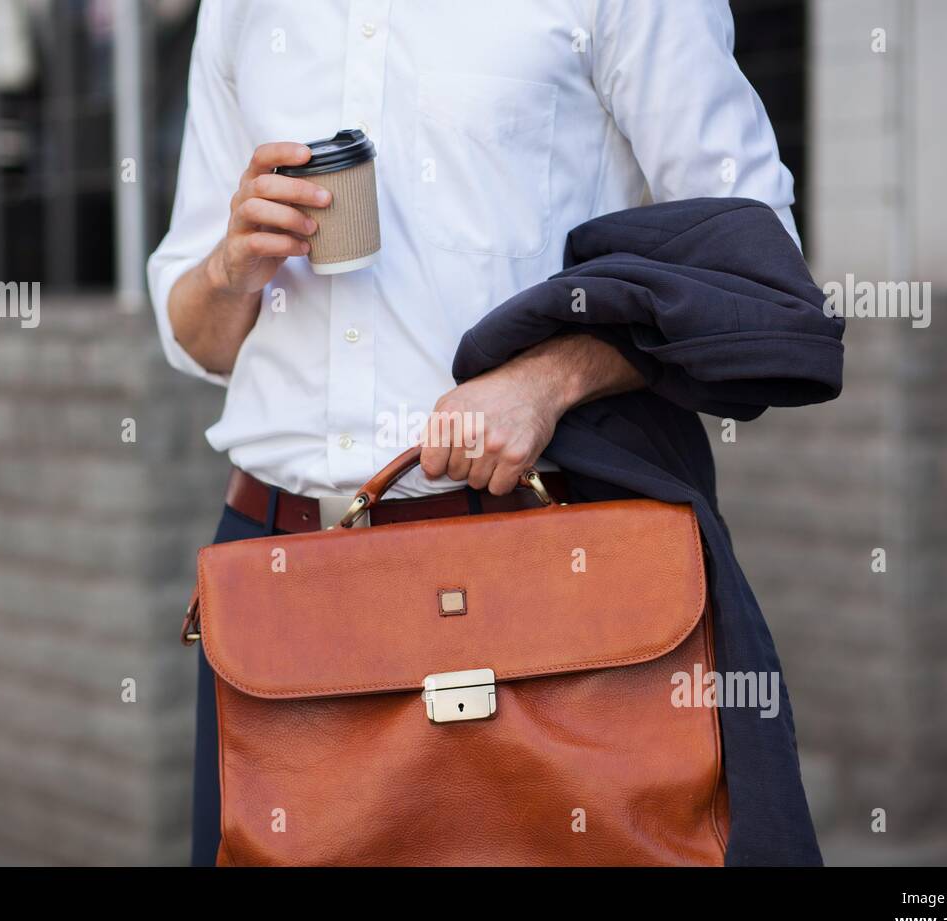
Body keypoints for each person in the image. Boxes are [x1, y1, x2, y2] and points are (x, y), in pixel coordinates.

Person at [148, 0, 802, 866]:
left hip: (531, 565)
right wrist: (233, 267)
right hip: (282, 577)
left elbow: (756, 259)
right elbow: (196, 340)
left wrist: (547, 380)